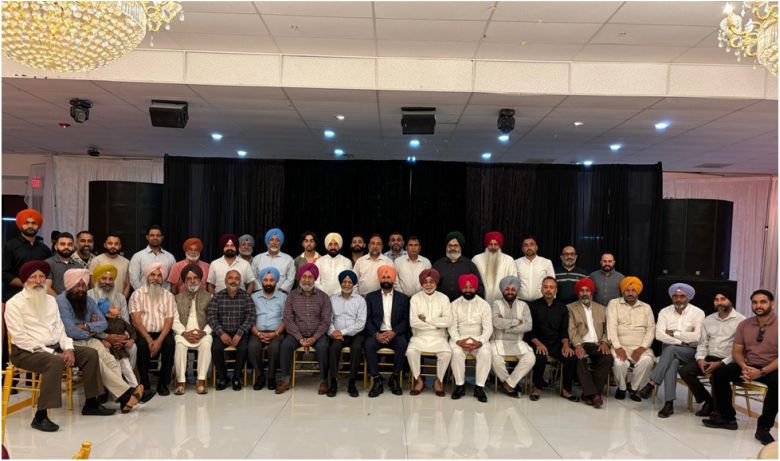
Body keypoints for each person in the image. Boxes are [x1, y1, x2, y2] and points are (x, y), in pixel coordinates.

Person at [5, 261, 113, 432]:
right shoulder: (14, 304)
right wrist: (54, 353)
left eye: (42, 277)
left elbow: (60, 329)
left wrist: (68, 348)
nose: (39, 281)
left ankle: (91, 403)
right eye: (33, 277)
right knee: (55, 362)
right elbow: (20, 338)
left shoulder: (50, 300)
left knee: (90, 354)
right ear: (25, 280)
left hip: (55, 346)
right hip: (26, 351)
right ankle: (40, 416)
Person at [56, 268, 148, 412]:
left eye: (83, 285)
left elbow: (103, 323)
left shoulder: (88, 300)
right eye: (77, 285)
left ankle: (123, 399)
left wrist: (86, 326)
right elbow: (70, 330)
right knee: (98, 362)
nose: (81, 289)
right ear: (69, 285)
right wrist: (92, 330)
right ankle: (127, 395)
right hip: (70, 343)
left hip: (90, 339)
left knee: (110, 360)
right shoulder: (61, 301)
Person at [704, 289, 777, 445]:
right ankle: (727, 418)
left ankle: (763, 428)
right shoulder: (745, 324)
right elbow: (737, 351)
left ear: (772, 303)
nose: (758, 305)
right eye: (755, 302)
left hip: (771, 368)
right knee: (720, 372)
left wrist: (761, 372)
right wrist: (744, 367)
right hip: (748, 365)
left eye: (763, 302)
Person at [638, 283, 705, 418]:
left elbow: (697, 337)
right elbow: (659, 335)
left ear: (688, 297)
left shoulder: (698, 313)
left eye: (682, 296)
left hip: (690, 351)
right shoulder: (665, 312)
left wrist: (673, 333)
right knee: (672, 361)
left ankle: (652, 383)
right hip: (672, 350)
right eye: (675, 296)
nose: (678, 299)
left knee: (670, 350)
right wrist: (682, 340)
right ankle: (669, 404)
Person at [678, 286, 745, 417]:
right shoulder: (708, 320)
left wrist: (721, 363)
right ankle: (709, 401)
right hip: (710, 358)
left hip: (729, 361)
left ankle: (719, 409)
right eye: (716, 300)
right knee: (685, 371)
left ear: (730, 300)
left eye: (723, 299)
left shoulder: (741, 321)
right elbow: (703, 343)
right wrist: (700, 359)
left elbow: (741, 351)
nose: (719, 302)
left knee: (718, 373)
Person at [276, 263, 332, 394]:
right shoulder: (292, 296)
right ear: (300, 278)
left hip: (317, 335)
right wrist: (300, 338)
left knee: (323, 347)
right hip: (296, 334)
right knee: (285, 345)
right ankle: (285, 380)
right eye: (304, 276)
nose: (306, 280)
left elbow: (325, 321)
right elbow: (288, 318)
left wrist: (314, 338)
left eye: (310, 277)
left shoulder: (324, 297)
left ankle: (324, 380)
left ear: (315, 279)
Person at [527, 277, 579, 402]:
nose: (548, 290)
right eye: (545, 287)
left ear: (556, 290)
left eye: (551, 287)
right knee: (540, 356)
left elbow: (564, 331)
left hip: (555, 343)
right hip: (537, 341)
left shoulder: (562, 308)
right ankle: (537, 388)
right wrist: (538, 344)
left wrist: (566, 345)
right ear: (541, 289)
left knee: (571, 356)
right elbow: (528, 330)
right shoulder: (532, 306)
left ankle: (566, 390)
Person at [129, 262, 176, 396]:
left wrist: (159, 340)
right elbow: (136, 321)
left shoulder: (168, 296)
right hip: (144, 333)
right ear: (147, 277)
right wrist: (149, 339)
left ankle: (163, 384)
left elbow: (169, 320)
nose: (155, 278)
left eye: (159, 275)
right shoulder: (137, 294)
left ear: (163, 278)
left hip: (163, 333)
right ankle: (145, 384)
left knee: (170, 344)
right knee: (142, 346)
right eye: (152, 275)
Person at [606, 276, 655, 402]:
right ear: (622, 291)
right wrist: (618, 347)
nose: (630, 293)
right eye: (627, 290)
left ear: (638, 292)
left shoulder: (646, 307)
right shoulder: (613, 304)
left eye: (633, 290)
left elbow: (651, 330)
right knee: (619, 363)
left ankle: (633, 388)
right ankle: (622, 388)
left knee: (647, 361)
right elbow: (611, 327)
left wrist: (642, 348)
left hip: (641, 346)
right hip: (620, 345)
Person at [365, 265, 410, 397]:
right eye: (383, 277)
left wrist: (394, 332)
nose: (386, 279)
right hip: (377, 333)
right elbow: (367, 319)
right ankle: (377, 379)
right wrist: (376, 334)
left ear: (393, 279)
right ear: (379, 279)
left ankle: (394, 378)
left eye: (388, 277)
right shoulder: (371, 297)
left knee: (402, 344)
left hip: (395, 333)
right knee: (368, 345)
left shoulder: (403, 298)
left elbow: (405, 320)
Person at [567, 277, 612, 408]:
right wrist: (577, 345)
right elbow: (571, 329)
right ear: (578, 293)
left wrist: (605, 342)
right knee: (578, 358)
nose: (585, 293)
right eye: (582, 290)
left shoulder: (602, 309)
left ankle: (589, 394)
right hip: (581, 343)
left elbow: (608, 329)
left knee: (608, 358)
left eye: (587, 290)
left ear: (591, 292)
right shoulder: (570, 308)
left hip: (597, 344)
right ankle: (594, 395)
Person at [407, 268, 452, 397]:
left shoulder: (444, 298)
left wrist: (427, 320)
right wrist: (436, 325)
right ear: (421, 283)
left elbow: (448, 321)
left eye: (431, 281)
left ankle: (438, 381)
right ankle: (419, 380)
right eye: (425, 282)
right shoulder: (415, 298)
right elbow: (413, 322)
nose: (428, 285)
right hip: (419, 336)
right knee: (411, 352)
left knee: (446, 353)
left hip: (439, 337)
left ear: (436, 283)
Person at [208, 269, 254, 391]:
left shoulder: (246, 297)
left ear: (240, 282)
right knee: (215, 348)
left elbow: (251, 317)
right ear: (225, 281)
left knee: (244, 348)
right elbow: (211, 317)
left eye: (237, 279)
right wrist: (221, 333)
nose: (233, 281)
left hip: (240, 332)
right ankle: (223, 377)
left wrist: (239, 333)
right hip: (222, 332)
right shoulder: (217, 296)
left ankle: (236, 377)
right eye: (230, 278)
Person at [448, 273, 492, 402]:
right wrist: (458, 341)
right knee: (456, 352)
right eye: (465, 287)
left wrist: (480, 342)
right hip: (459, 338)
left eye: (471, 287)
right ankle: (459, 386)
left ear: (476, 288)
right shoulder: (454, 304)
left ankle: (479, 387)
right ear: (461, 288)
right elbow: (452, 327)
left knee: (485, 352)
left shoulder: (484, 305)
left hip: (478, 338)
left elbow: (488, 328)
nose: (468, 289)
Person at [490, 275, 535, 398]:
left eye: (513, 289)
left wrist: (505, 327)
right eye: (507, 289)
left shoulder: (523, 306)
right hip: (498, 341)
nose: (510, 292)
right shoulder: (496, 304)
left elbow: (528, 326)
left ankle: (508, 384)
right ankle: (510, 383)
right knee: (494, 358)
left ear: (517, 291)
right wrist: (517, 322)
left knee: (530, 357)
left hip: (518, 342)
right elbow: (496, 322)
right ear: (502, 290)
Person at [172, 263, 213, 395]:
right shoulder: (177, 298)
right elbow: (174, 320)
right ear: (184, 281)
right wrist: (183, 333)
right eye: (189, 278)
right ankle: (181, 382)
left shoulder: (209, 297)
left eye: (195, 278)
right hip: (183, 333)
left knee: (207, 343)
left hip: (202, 333)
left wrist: (204, 332)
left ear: (200, 280)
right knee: (179, 344)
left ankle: (200, 381)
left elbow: (213, 319)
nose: (192, 281)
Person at [327, 269, 366, 397]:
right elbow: (328, 319)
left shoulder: (360, 300)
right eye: (344, 282)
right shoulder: (332, 299)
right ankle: (333, 382)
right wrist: (333, 332)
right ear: (340, 283)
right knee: (334, 347)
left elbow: (361, 323)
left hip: (355, 334)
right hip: (336, 334)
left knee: (357, 348)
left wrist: (342, 332)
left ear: (353, 284)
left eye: (350, 282)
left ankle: (352, 382)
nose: (347, 284)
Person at [249, 267, 287, 391]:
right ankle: (260, 376)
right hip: (257, 332)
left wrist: (275, 333)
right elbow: (249, 319)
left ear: (276, 282)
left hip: (277, 332)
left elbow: (286, 320)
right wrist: (258, 333)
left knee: (274, 347)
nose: (268, 283)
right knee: (252, 346)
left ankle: (271, 377)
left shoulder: (283, 297)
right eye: (265, 280)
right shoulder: (254, 297)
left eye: (271, 280)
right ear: (261, 282)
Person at [3, 209, 52, 302]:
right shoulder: (10, 246)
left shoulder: (45, 249)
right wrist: (28, 283)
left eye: (34, 223)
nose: (30, 226)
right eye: (26, 223)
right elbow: (4, 273)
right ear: (20, 225)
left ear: (38, 226)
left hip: (39, 297)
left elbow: (49, 274)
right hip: (15, 297)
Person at [432, 231, 485, 302]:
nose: (452, 248)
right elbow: (430, 285)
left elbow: (479, 288)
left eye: (456, 246)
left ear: (460, 247)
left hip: (464, 305)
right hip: (441, 304)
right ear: (446, 247)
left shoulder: (469, 265)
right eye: (450, 245)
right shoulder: (437, 265)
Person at [472, 231, 517, 306]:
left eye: (496, 244)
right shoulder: (477, 259)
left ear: (499, 245)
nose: (493, 247)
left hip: (503, 303)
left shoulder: (509, 260)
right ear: (487, 245)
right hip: (480, 303)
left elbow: (513, 281)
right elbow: (472, 280)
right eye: (490, 244)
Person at [99, 301, 138, 387]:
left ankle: (135, 387)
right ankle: (121, 390)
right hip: (110, 351)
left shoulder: (122, 321)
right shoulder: (103, 323)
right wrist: (103, 341)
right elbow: (97, 334)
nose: (118, 308)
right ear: (107, 313)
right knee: (116, 370)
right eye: (113, 307)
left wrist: (131, 341)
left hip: (121, 350)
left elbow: (132, 332)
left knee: (127, 368)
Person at [128, 225, 176, 291]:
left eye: (158, 235)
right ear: (147, 237)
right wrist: (143, 293)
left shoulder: (170, 257)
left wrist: (165, 293)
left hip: (164, 296)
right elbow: (133, 280)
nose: (155, 237)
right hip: (142, 295)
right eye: (152, 235)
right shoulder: (137, 256)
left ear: (162, 237)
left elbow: (172, 280)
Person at [251, 228, 295, 294]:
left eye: (277, 240)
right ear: (267, 242)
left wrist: (281, 292)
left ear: (281, 243)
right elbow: (253, 277)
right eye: (271, 240)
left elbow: (290, 279)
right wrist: (261, 291)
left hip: (281, 295)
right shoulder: (257, 258)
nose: (274, 243)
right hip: (260, 295)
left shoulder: (289, 259)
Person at [88, 233, 130, 299]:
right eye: (110, 243)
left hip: (118, 301)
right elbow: (92, 283)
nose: (113, 246)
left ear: (120, 246)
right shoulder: (96, 260)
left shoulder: (126, 262)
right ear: (105, 245)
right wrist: (98, 300)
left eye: (116, 244)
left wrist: (122, 300)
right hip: (99, 300)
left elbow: (127, 284)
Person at [514, 235, 555, 303]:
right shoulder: (516, 263)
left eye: (531, 244)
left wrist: (552, 300)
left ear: (536, 247)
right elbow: (513, 283)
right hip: (520, 302)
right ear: (522, 249)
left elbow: (552, 283)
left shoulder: (546, 262)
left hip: (541, 302)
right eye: (526, 245)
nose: (529, 247)